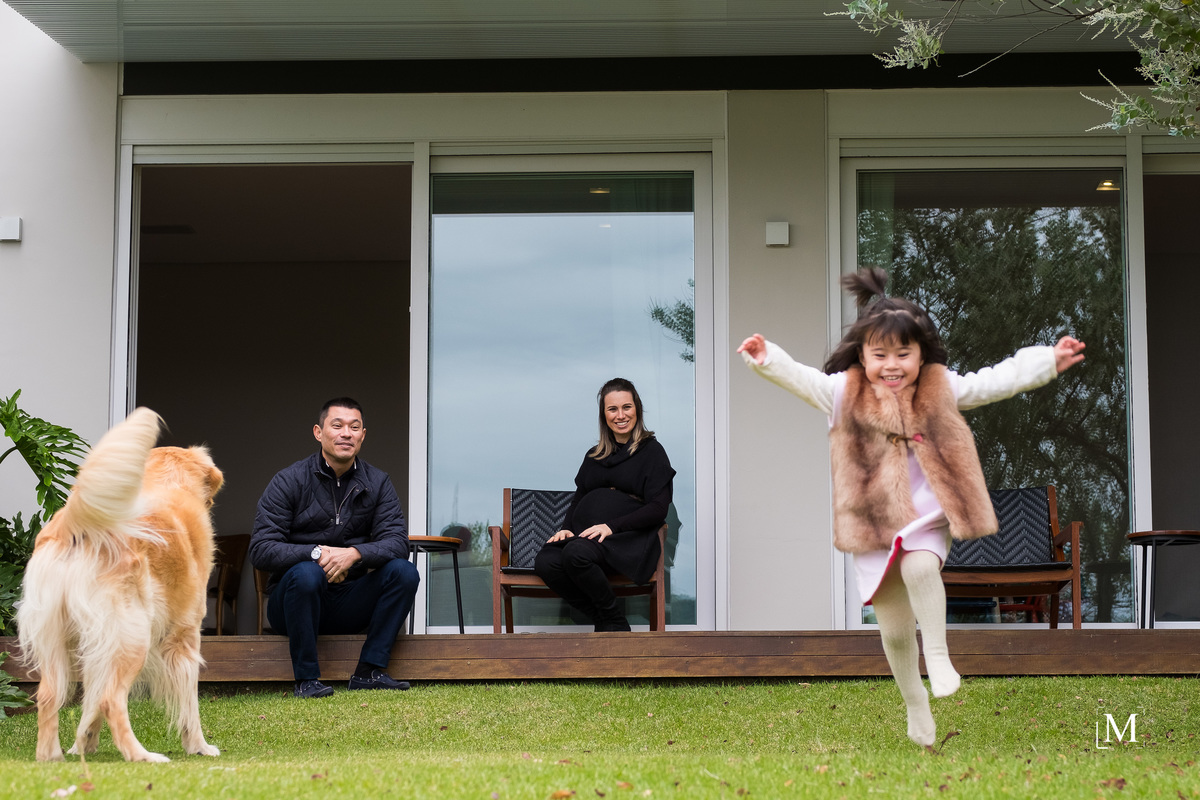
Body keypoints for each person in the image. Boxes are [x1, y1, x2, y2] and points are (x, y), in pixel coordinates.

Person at [738, 268, 1085, 747]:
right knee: (896, 630)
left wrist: (1047, 360)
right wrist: (766, 357)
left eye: (904, 354)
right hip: (873, 523)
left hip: (926, 513)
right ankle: (914, 702)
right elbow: (800, 379)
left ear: (922, 355)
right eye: (880, 355)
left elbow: (993, 381)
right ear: (862, 355)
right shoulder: (842, 392)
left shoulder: (939, 387)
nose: (893, 365)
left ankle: (939, 655)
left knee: (922, 569)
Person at [250, 397, 420, 698]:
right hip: (292, 603)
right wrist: (317, 554)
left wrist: (354, 554)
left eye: (355, 427)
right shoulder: (289, 480)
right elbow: (261, 549)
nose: (346, 433)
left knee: (404, 572)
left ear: (363, 435)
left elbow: (397, 543)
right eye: (337, 425)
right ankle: (307, 680)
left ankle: (369, 671)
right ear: (319, 432)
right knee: (306, 574)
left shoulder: (378, 483)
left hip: (348, 600)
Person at [533, 378, 675, 632]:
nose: (620, 415)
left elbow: (658, 508)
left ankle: (611, 620)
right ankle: (608, 619)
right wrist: (566, 527)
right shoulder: (595, 455)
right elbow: (580, 497)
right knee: (546, 560)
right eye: (612, 409)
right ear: (604, 415)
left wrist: (612, 526)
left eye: (627, 407)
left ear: (637, 410)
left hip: (626, 540)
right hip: (588, 539)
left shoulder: (652, 452)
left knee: (575, 554)